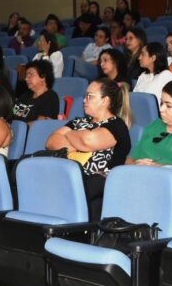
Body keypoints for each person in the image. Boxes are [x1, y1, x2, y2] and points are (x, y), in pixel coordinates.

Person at [46, 79, 132, 220]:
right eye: (85, 96)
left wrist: (68, 135)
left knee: (81, 187)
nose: (84, 100)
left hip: (100, 179)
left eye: (90, 96)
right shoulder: (80, 121)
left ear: (105, 100)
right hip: (68, 172)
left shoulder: (116, 125)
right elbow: (51, 141)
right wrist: (78, 143)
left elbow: (87, 141)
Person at [13, 60, 60, 124]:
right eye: (26, 75)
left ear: (43, 77)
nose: (26, 78)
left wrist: (20, 128)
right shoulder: (25, 95)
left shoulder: (51, 97)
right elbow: (12, 115)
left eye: (30, 74)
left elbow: (40, 124)